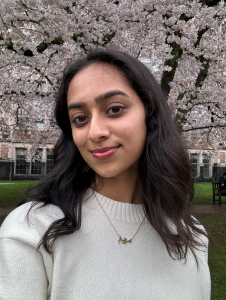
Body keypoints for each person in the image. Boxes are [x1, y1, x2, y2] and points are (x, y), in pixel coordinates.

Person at [0, 49, 210, 300]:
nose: (95, 132)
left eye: (114, 109)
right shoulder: (33, 230)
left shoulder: (192, 237)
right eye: (80, 118)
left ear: (149, 114)